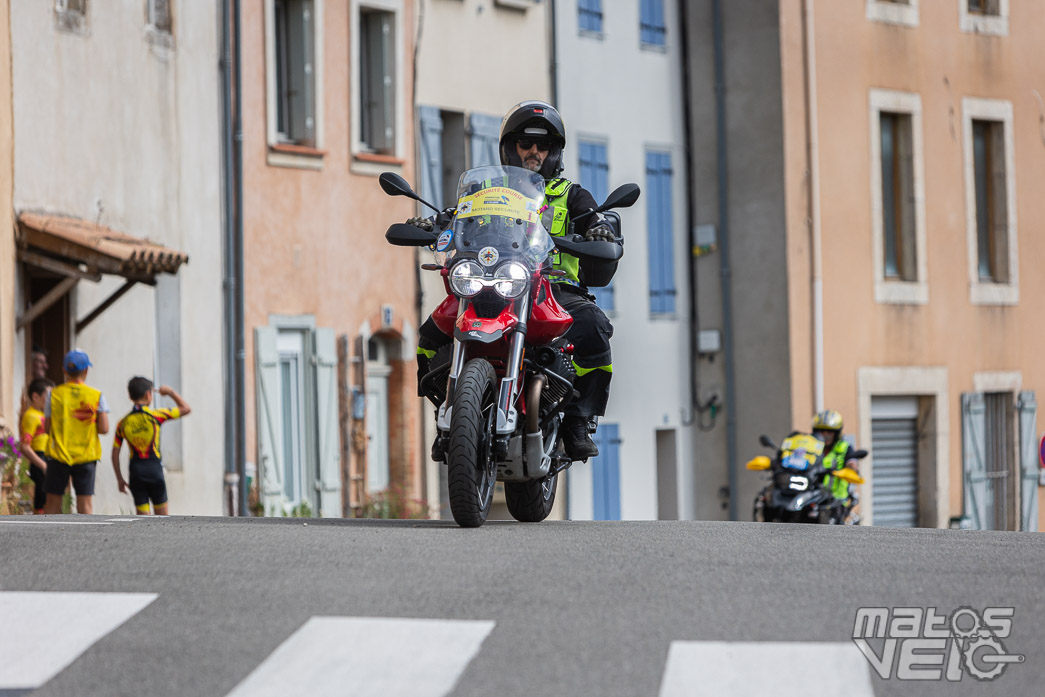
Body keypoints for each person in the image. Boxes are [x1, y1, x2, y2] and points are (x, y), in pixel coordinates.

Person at [413, 100, 619, 460]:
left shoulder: (571, 195)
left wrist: (600, 228)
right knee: (429, 337)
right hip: (487, 281)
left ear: (555, 152)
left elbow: (590, 219)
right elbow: (453, 217)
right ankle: (448, 412)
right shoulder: (486, 190)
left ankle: (577, 419)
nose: (534, 152)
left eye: (543, 146)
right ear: (510, 147)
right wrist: (431, 225)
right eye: (526, 143)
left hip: (553, 289)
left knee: (593, 326)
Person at [43, 349, 110, 514]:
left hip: (58, 454)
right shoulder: (96, 395)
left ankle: (49, 537)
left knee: (52, 502)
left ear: (64, 370)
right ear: (86, 370)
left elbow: (47, 428)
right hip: (86, 455)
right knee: (85, 503)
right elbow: (104, 428)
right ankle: (87, 538)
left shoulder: (53, 395)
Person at [112, 377, 191, 516]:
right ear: (148, 394)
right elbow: (186, 408)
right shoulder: (156, 415)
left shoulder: (122, 423)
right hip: (154, 470)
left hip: (136, 472)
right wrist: (170, 392)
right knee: (162, 519)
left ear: (130, 396)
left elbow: (115, 454)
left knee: (143, 521)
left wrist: (119, 478)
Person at [19, 377, 54, 514]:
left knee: (49, 499)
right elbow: (25, 446)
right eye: (48, 396)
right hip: (40, 459)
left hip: (48, 457)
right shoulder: (31, 416)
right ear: (35, 396)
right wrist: (42, 464)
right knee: (42, 499)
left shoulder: (43, 414)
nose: (51, 400)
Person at [812, 409, 860, 505]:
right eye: (821, 431)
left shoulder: (844, 447)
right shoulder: (811, 447)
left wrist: (851, 468)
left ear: (836, 433)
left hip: (836, 502)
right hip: (812, 496)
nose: (825, 435)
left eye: (829, 432)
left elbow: (852, 462)